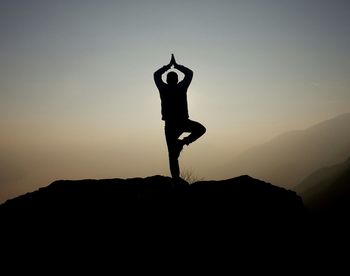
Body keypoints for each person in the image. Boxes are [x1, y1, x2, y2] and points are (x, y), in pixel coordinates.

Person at [154, 54, 206, 179]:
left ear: (167, 80)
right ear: (177, 79)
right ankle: (182, 143)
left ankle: (175, 180)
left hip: (170, 125)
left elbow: (156, 75)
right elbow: (189, 73)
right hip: (183, 122)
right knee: (201, 129)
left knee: (172, 156)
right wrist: (177, 66)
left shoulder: (163, 88)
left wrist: (167, 66)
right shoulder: (181, 88)